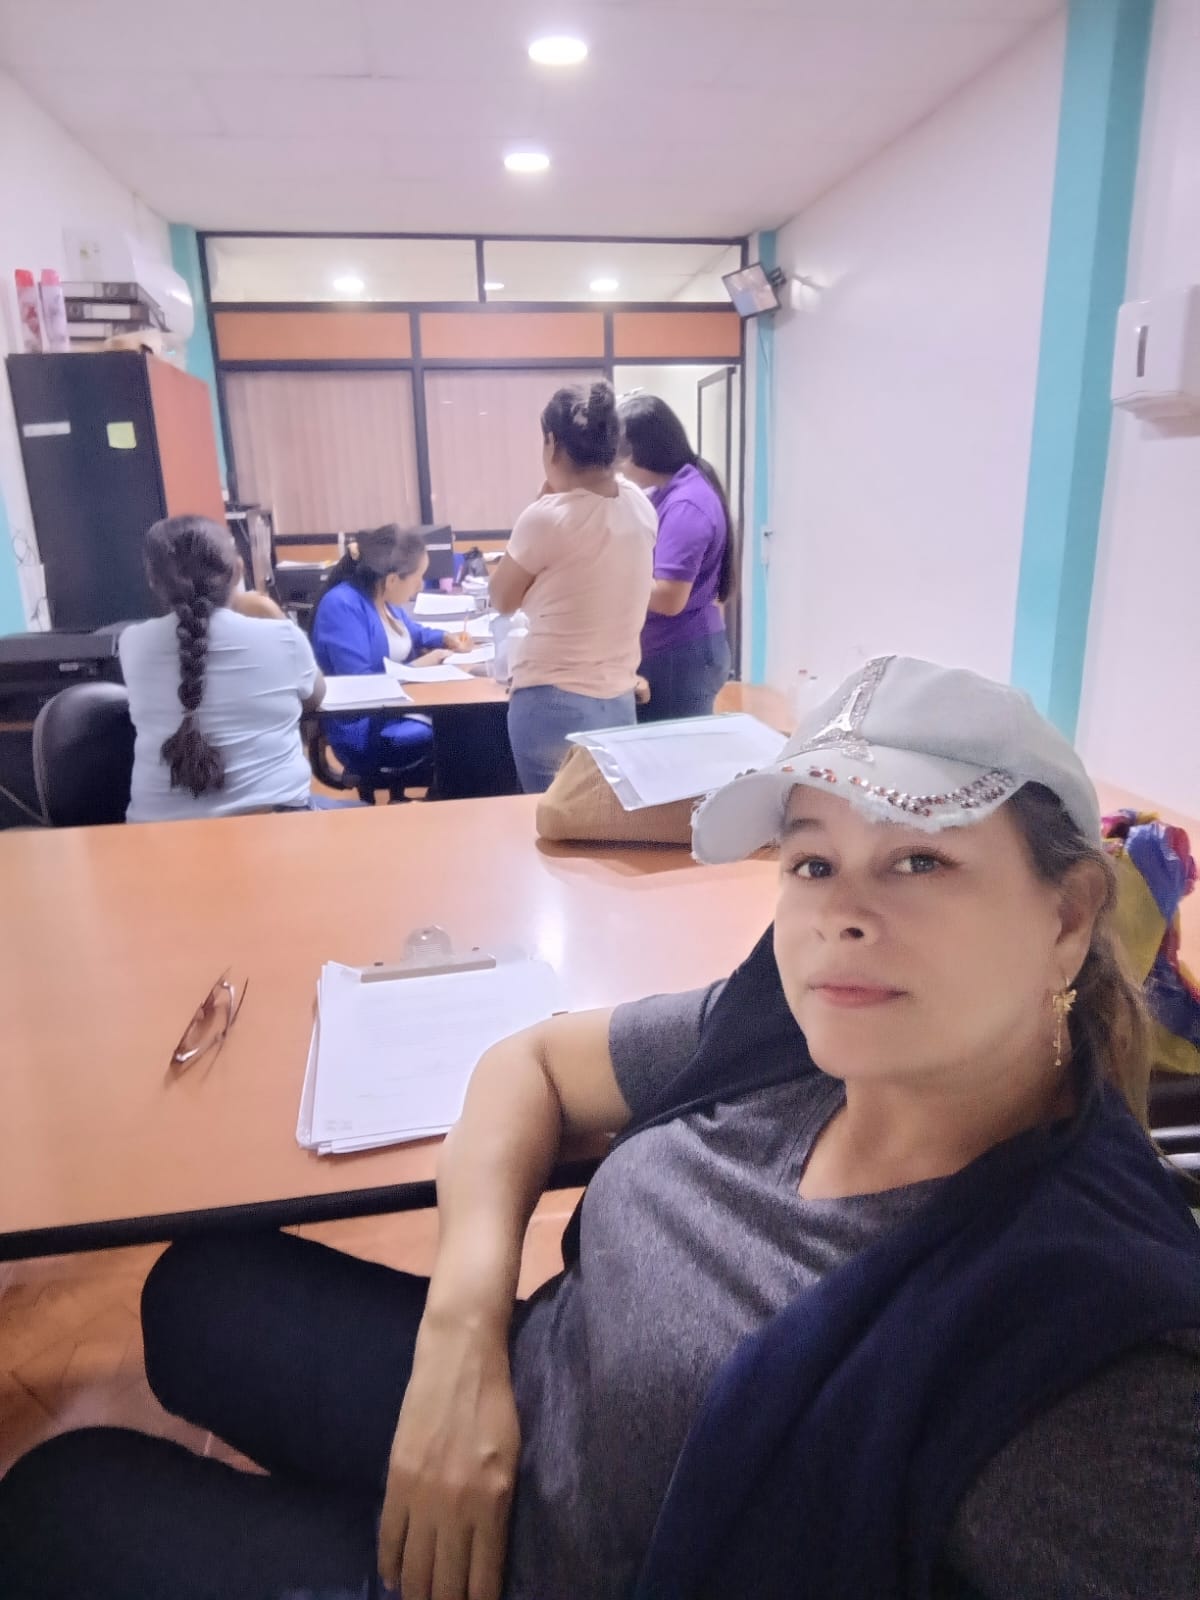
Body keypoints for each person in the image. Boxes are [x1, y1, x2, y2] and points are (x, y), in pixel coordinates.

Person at [4, 655, 1200, 1600]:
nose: (843, 914)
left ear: (1067, 916)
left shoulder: (1089, 1364)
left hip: (558, 1562)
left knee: (59, 1499)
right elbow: (528, 1061)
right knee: (196, 1289)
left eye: (921, 861)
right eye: (812, 860)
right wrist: (462, 1341)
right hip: (529, 1375)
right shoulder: (793, 1025)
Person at [490, 381, 656, 793]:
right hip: (618, 699)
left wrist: (543, 499)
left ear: (552, 443)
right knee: (607, 821)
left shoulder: (545, 518)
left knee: (550, 820)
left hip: (551, 703)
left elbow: (502, 599)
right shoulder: (639, 505)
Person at [118, 515, 326, 821]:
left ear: (153, 580)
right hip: (276, 829)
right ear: (238, 571)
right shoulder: (283, 637)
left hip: (159, 837)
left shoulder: (132, 643)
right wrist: (271, 613)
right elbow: (316, 696)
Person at [310, 525, 471, 786]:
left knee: (473, 724)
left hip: (399, 708)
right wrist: (415, 668)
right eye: (418, 577)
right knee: (465, 733)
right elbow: (359, 683)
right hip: (366, 727)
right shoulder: (342, 606)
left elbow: (411, 632)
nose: (421, 585)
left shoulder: (382, 599)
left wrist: (445, 638)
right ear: (393, 579)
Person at [617, 392, 733, 721]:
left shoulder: (687, 506)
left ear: (642, 453)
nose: (619, 468)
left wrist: (612, 581)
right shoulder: (671, 492)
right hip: (673, 649)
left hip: (680, 654)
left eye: (621, 457)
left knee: (672, 749)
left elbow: (669, 598)